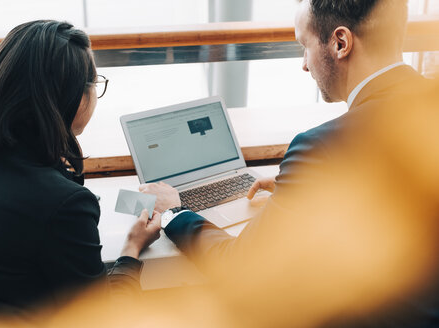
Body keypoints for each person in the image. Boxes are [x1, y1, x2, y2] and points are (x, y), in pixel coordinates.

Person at [140, 0, 439, 326]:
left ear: (341, 43)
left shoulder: (319, 147)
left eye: (304, 46)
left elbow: (242, 270)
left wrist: (175, 212)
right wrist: (300, 190)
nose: (304, 65)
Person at [0, 20, 161, 316]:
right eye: (95, 85)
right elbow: (103, 319)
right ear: (71, 96)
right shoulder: (62, 204)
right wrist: (131, 249)